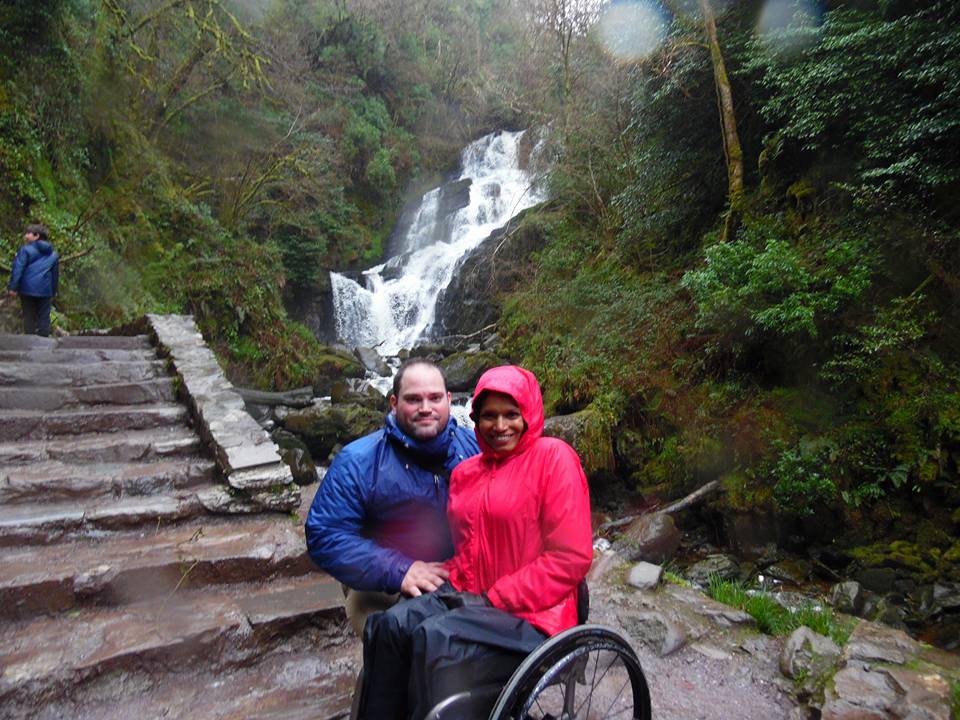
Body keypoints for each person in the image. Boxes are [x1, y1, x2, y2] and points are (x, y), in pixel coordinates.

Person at [356, 365, 594, 720]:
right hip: (475, 598)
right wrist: (445, 573)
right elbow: (471, 547)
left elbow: (570, 558)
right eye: (489, 416)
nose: (500, 426)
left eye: (511, 414)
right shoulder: (468, 472)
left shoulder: (553, 458)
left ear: (529, 415)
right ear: (474, 419)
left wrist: (498, 596)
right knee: (387, 627)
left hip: (535, 616)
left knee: (434, 639)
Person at [305, 358, 480, 635]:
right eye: (413, 399)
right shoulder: (359, 461)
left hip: (465, 580)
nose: (426, 408)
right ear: (394, 403)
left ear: (449, 400)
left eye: (434, 398)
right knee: (401, 659)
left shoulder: (474, 446)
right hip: (384, 587)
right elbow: (325, 535)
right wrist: (399, 570)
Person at [6, 223, 59, 337]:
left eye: (28, 233)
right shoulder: (53, 254)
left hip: (27, 289)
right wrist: (53, 292)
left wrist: (13, 287)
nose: (26, 236)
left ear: (37, 236)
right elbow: (55, 276)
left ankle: (29, 344)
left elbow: (18, 269)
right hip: (45, 290)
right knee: (44, 316)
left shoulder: (25, 250)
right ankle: (44, 344)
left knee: (29, 316)